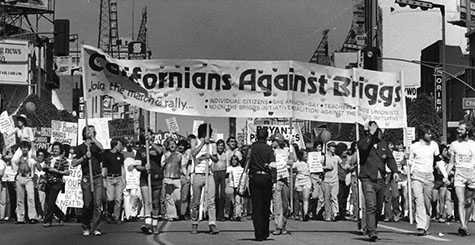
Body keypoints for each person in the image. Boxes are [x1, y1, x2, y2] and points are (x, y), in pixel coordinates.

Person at [357, 121, 398, 242]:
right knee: (371, 206)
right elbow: (363, 147)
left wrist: (394, 171)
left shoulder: (383, 144)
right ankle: (371, 231)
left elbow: (390, 159)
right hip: (368, 179)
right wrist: (370, 134)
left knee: (379, 208)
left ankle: (372, 226)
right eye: (375, 130)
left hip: (381, 180)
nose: (377, 133)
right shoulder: (363, 143)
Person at [408, 124, 448, 236]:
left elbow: (438, 160)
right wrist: (408, 166)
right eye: (428, 133)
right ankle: (421, 226)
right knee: (418, 200)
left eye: (431, 133)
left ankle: (425, 225)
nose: (430, 136)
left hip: (429, 176)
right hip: (417, 176)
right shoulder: (414, 146)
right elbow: (411, 161)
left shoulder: (434, 145)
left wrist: (445, 175)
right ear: (422, 134)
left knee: (427, 202)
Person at [72, 125, 104, 236]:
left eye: (93, 131)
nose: (91, 132)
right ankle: (86, 226)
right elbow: (74, 163)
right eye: (89, 131)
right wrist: (85, 157)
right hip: (87, 177)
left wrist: (93, 139)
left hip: (97, 177)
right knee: (87, 204)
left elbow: (102, 148)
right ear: (84, 133)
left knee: (97, 204)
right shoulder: (80, 148)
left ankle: (96, 227)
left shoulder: (96, 146)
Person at [446, 121, 475, 236]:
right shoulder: (454, 145)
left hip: (471, 173)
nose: (459, 131)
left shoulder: (473, 144)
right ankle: (462, 225)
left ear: (467, 131)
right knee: (461, 201)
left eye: (461, 129)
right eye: (458, 129)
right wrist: (446, 174)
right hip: (459, 174)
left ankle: (465, 224)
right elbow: (451, 162)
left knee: (469, 201)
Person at [190, 123, 219, 235]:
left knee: (211, 201)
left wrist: (210, 156)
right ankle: (194, 223)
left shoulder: (213, 145)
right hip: (197, 174)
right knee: (196, 201)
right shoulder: (195, 141)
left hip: (209, 174)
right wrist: (203, 143)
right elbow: (193, 153)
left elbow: (216, 159)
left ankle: (212, 224)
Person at [134, 133, 164, 234]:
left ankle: (155, 224)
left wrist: (151, 143)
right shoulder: (140, 151)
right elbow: (137, 165)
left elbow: (160, 152)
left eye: (150, 135)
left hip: (156, 178)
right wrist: (144, 168)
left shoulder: (157, 147)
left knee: (155, 202)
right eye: (147, 135)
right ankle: (147, 223)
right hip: (145, 178)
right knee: (147, 202)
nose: (149, 136)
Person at [249, 128, 275, 241]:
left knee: (256, 206)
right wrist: (273, 180)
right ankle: (265, 232)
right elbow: (273, 165)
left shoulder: (252, 148)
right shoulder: (269, 149)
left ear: (256, 136)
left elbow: (244, 160)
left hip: (254, 177)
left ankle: (258, 233)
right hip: (266, 178)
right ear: (267, 137)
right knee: (265, 205)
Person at [270, 133, 294, 235]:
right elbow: (270, 164)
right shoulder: (271, 152)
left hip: (286, 179)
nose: (272, 143)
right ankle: (277, 226)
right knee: (277, 203)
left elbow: (294, 160)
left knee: (285, 204)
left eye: (273, 140)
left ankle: (283, 224)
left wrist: (292, 146)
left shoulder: (286, 151)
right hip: (276, 179)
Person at [43, 142, 69, 227]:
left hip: (57, 182)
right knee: (50, 201)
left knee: (51, 201)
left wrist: (56, 171)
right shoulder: (49, 158)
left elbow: (67, 172)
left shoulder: (63, 160)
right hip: (48, 182)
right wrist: (46, 168)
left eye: (57, 149)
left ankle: (48, 220)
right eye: (54, 149)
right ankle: (61, 216)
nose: (55, 150)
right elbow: (44, 166)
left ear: (60, 150)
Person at [12, 141, 39, 224]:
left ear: (28, 149)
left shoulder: (31, 158)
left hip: (28, 177)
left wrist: (36, 160)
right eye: (23, 147)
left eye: (26, 147)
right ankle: (20, 217)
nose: (24, 149)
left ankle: (32, 217)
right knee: (20, 199)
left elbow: (38, 167)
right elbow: (14, 165)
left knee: (30, 197)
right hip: (20, 176)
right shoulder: (18, 157)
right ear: (21, 149)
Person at [102, 138, 125, 224]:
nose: (120, 146)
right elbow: (104, 168)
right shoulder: (107, 155)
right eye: (119, 145)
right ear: (114, 145)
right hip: (109, 178)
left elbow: (122, 168)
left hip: (118, 178)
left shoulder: (121, 155)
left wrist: (124, 179)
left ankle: (116, 216)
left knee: (118, 199)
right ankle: (109, 213)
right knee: (110, 198)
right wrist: (104, 180)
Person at [161, 138, 183, 221]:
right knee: (169, 197)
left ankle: (177, 212)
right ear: (168, 146)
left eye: (173, 144)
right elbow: (162, 165)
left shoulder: (179, 155)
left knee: (178, 198)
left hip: (177, 178)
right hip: (168, 177)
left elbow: (183, 166)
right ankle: (172, 215)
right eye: (170, 144)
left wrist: (186, 175)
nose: (172, 145)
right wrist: (167, 159)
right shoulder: (165, 155)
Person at [323, 141, 341, 222]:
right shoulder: (324, 157)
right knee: (327, 198)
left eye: (334, 147)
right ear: (328, 148)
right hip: (326, 180)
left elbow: (343, 165)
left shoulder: (337, 158)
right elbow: (317, 167)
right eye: (332, 146)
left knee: (334, 197)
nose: (333, 148)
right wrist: (326, 167)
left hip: (335, 180)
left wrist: (349, 167)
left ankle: (335, 213)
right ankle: (327, 215)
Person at [308, 141, 325, 219]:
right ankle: (311, 211)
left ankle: (318, 213)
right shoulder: (311, 155)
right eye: (318, 147)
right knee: (314, 196)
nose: (320, 148)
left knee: (321, 197)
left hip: (320, 176)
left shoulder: (323, 156)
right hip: (313, 175)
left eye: (321, 147)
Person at [293, 149, 311, 221]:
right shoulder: (297, 163)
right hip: (299, 181)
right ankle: (301, 213)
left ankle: (306, 214)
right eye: (305, 154)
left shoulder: (309, 163)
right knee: (300, 199)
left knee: (305, 198)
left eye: (307, 154)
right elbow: (292, 166)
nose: (306, 155)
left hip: (306, 180)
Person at [226, 155, 244, 221]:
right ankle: (228, 214)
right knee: (230, 201)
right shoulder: (229, 168)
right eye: (233, 160)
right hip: (230, 186)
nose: (234, 161)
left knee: (237, 201)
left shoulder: (240, 169)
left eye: (235, 160)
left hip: (238, 186)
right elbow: (226, 178)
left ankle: (237, 215)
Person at [177, 138, 192, 220]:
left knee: (185, 197)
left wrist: (187, 175)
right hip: (176, 177)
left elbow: (187, 165)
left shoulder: (187, 153)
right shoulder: (175, 154)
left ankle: (183, 213)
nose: (180, 147)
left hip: (185, 176)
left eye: (182, 145)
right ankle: (178, 212)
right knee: (177, 197)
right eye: (179, 145)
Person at [214, 139, 227, 221]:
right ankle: (215, 214)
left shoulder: (226, 155)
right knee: (215, 194)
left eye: (222, 145)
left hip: (223, 173)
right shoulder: (214, 155)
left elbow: (228, 165)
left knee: (222, 194)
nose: (220, 147)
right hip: (215, 173)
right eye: (219, 145)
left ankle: (221, 214)